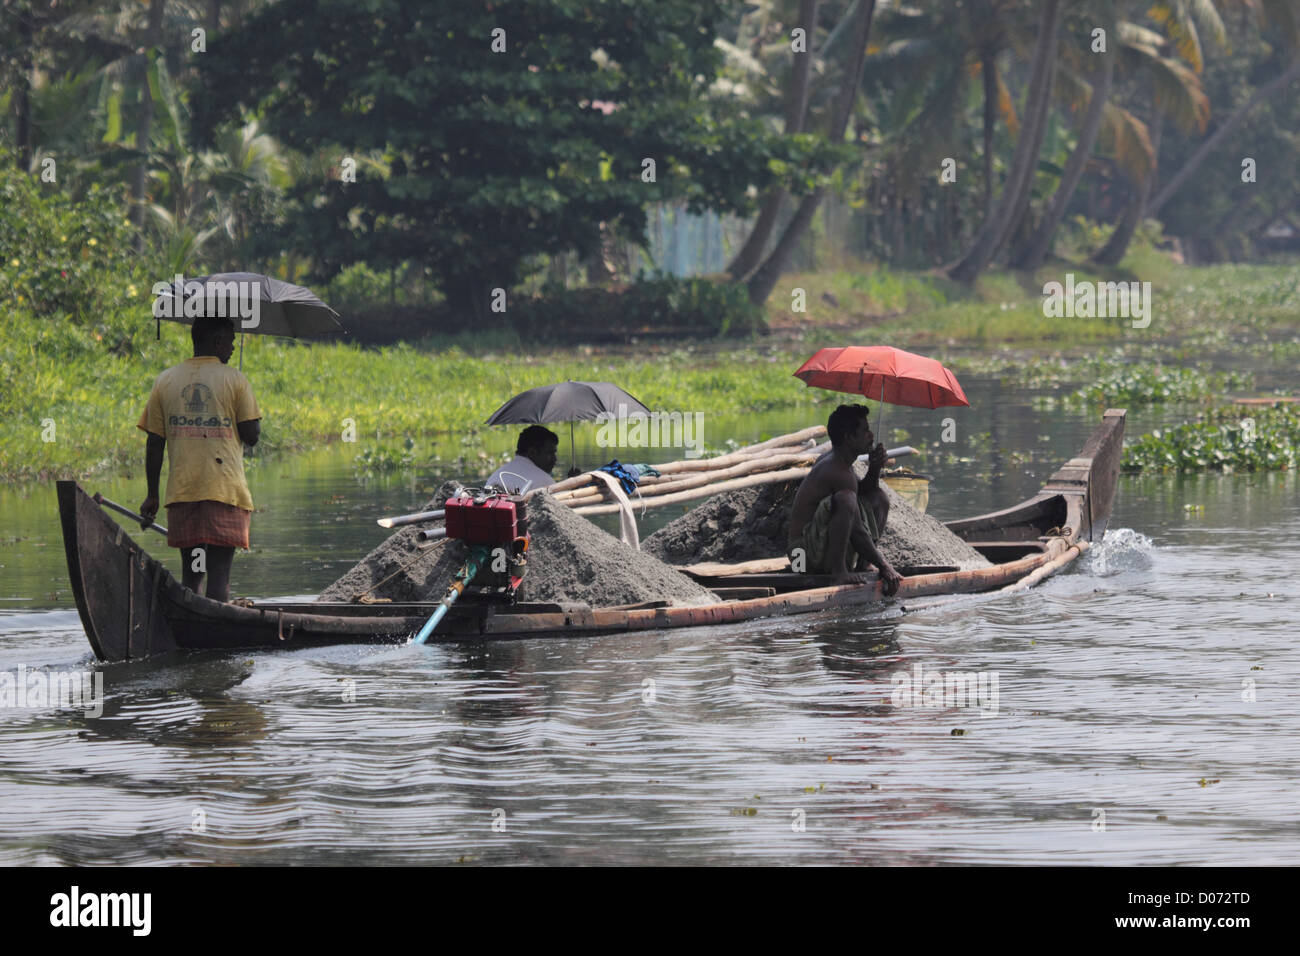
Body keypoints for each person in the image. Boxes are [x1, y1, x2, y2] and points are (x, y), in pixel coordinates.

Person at [138, 315, 261, 603]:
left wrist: (152, 495)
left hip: (185, 494)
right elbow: (252, 435)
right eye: (230, 341)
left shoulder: (165, 380)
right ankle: (216, 633)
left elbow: (154, 442)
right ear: (217, 341)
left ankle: (193, 624)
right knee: (219, 577)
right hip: (224, 494)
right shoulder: (235, 380)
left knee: (194, 573)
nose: (232, 348)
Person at [787, 403, 903, 594]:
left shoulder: (843, 462)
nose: (871, 435)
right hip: (802, 556)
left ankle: (863, 565)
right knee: (846, 500)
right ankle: (838, 571)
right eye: (865, 431)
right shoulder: (836, 470)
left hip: (816, 548)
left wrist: (874, 469)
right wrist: (884, 566)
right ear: (848, 438)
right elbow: (856, 526)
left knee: (879, 498)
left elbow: (863, 494)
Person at [484, 425, 559, 493]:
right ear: (533, 452)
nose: (555, 459)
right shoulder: (546, 482)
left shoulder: (495, 476)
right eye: (550, 453)